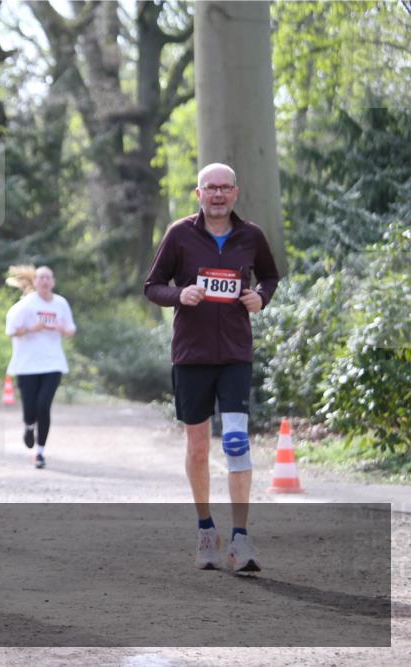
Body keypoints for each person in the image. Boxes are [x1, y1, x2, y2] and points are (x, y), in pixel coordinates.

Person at [143, 163, 280, 573]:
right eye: (210, 188)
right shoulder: (179, 234)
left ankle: (241, 537)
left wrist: (261, 296)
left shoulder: (251, 235)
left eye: (224, 187)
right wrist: (179, 293)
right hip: (192, 355)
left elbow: (270, 277)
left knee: (236, 442)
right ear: (198, 193)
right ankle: (206, 527)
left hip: (236, 352)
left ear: (235, 192)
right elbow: (152, 286)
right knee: (199, 447)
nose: (218, 194)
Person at [5, 265, 75, 469]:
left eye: (48, 277)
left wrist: (63, 329)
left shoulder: (61, 304)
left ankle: (40, 452)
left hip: (53, 363)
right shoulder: (25, 305)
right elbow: (11, 331)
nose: (45, 281)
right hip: (27, 365)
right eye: (41, 277)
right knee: (30, 409)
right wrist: (31, 329)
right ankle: (28, 426)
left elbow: (71, 329)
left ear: (52, 282)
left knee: (44, 406)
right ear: (35, 282)